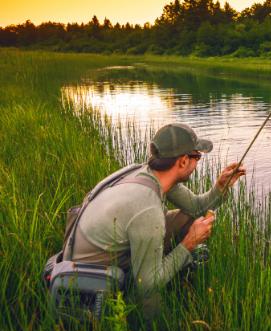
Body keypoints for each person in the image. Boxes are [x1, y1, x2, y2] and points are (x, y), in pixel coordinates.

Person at [62, 123, 246, 317]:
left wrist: (221, 186)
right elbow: (147, 285)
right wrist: (188, 243)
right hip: (91, 276)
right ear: (183, 161)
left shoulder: (149, 174)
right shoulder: (148, 208)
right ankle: (153, 325)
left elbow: (196, 208)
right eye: (197, 157)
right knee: (150, 289)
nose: (197, 164)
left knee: (188, 218)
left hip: (97, 251)